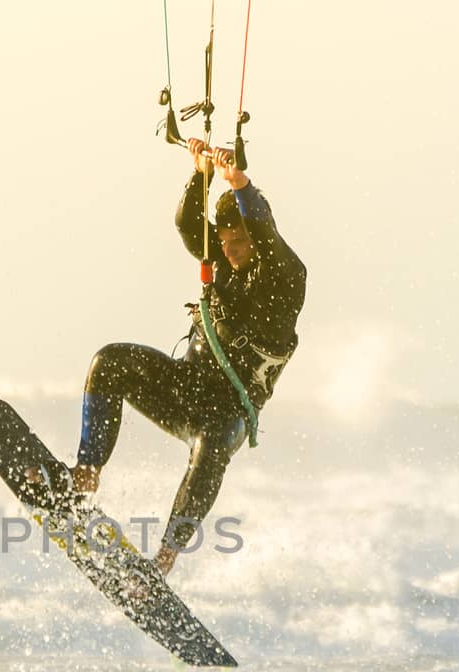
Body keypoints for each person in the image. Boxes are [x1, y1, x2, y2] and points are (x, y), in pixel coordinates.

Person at [39, 138, 307, 577]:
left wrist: (240, 183)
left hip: (229, 411)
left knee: (212, 444)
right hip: (188, 386)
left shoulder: (285, 275)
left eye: (239, 241)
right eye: (225, 241)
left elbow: (264, 229)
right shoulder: (220, 259)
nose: (231, 250)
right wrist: (200, 173)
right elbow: (187, 223)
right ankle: (85, 472)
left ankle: (164, 559)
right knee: (109, 362)